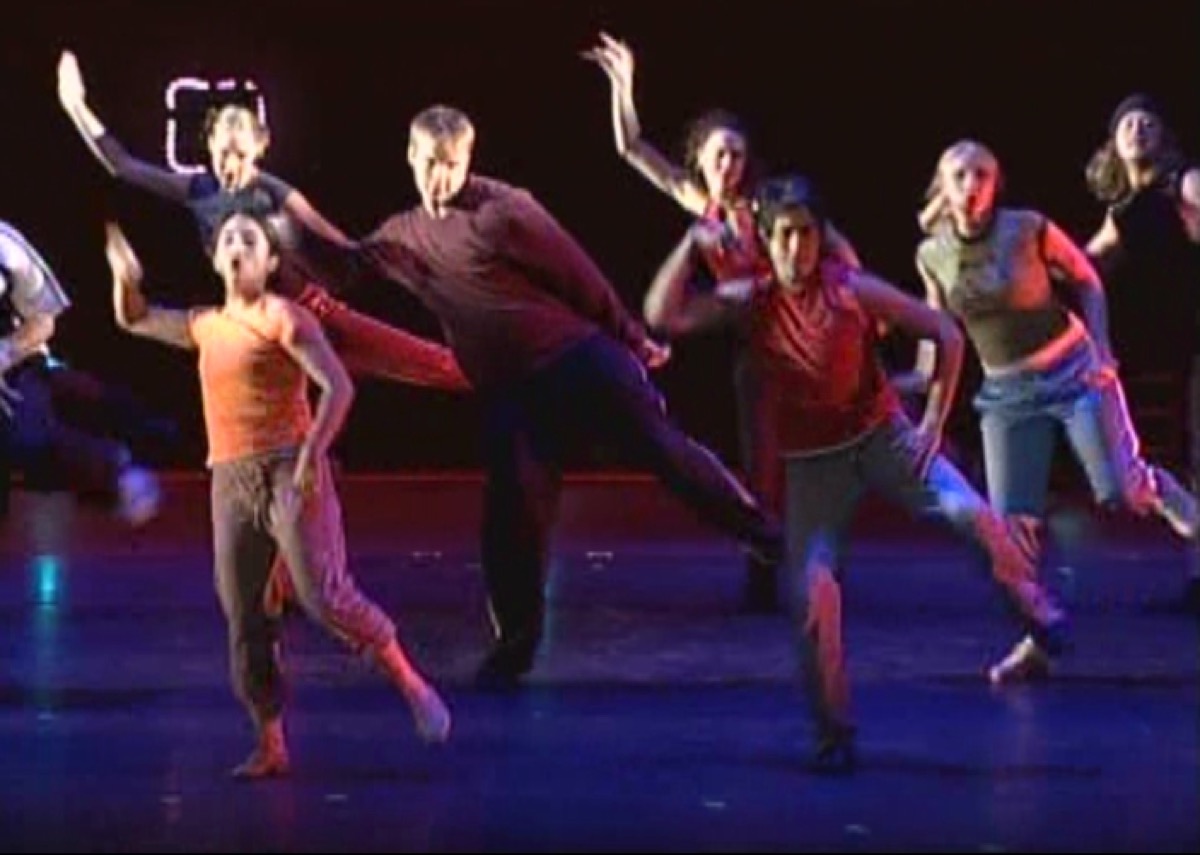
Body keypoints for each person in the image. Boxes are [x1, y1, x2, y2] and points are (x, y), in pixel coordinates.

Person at [341, 104, 782, 686]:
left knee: (666, 453)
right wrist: (277, 217)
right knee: (511, 515)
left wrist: (631, 336)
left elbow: (578, 272)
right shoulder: (402, 234)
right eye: (429, 164)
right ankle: (515, 648)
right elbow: (343, 265)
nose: (439, 177)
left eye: (451, 165)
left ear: (468, 159)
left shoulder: (505, 211)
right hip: (513, 392)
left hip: (579, 363)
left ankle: (771, 541)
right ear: (410, 156)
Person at [646, 173, 1059, 769]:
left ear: (821, 238)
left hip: (883, 439)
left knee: (970, 512)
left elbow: (945, 333)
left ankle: (1035, 613)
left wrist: (932, 424)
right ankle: (834, 736)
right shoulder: (752, 299)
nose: (797, 248)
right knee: (813, 596)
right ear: (766, 240)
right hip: (815, 467)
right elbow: (663, 315)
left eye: (807, 234)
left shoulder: (850, 288)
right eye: (785, 236)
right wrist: (691, 244)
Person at [104, 213, 451, 779]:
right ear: (216, 260)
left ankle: (410, 681)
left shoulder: (284, 318)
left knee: (323, 595)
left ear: (269, 264)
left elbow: (338, 386)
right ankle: (271, 743)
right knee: (245, 611)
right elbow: (134, 318)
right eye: (229, 238)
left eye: (250, 239)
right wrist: (125, 277)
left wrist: (312, 453)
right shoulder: (205, 325)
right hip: (230, 477)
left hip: (291, 468)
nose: (237, 244)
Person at [583, 33, 861, 611]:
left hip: (801, 335)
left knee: (817, 455)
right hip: (755, 346)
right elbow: (632, 148)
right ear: (701, 160)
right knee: (762, 464)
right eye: (719, 156)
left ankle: (823, 565)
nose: (729, 166)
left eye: (736, 155)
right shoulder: (701, 205)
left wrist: (788, 289)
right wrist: (623, 83)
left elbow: (843, 254)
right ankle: (764, 569)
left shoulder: (769, 203)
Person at [913, 139, 1197, 684]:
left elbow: (1086, 279)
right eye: (960, 175)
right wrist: (921, 389)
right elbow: (941, 332)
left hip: (1072, 372)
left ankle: (1167, 496)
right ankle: (1038, 641)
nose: (972, 185)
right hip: (1007, 394)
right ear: (943, 187)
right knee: (1012, 528)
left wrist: (1103, 350)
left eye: (982, 174)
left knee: (1121, 489)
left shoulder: (1026, 228)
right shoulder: (932, 255)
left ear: (996, 184)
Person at [56, 50, 468, 394]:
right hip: (249, 320)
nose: (230, 164)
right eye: (223, 153)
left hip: (311, 315)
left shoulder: (272, 192)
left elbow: (341, 243)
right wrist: (76, 106)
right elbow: (121, 165)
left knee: (434, 364)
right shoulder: (198, 190)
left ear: (259, 149)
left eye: (240, 155)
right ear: (210, 146)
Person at [1084, 94, 1200, 610]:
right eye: (1127, 122)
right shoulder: (1127, 210)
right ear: (1113, 143)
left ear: (1164, 138)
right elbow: (1085, 263)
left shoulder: (1184, 183)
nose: (1137, 128)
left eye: (1148, 121)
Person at [0, 219, 160, 526]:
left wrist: (5, 352)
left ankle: (117, 465)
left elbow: (43, 320)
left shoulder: (5, 244)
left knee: (31, 437)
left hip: (16, 368)